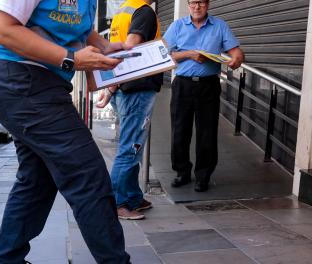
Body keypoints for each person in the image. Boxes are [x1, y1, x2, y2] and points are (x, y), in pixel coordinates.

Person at [0, 1, 132, 263]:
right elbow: (1, 29)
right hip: (19, 79)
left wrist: (105, 46)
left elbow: (75, 25)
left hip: (39, 83)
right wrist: (70, 58)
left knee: (37, 179)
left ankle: (9, 260)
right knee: (88, 175)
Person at [163, 0, 244, 192]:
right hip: (183, 84)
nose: (196, 6)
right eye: (193, 2)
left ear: (207, 4)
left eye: (200, 2)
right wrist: (189, 54)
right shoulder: (177, 26)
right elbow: (163, 53)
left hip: (208, 86)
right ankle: (182, 172)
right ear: (188, 5)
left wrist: (237, 59)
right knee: (179, 130)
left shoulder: (220, 26)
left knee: (207, 132)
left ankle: (203, 176)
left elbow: (236, 52)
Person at [97, 0, 163, 220]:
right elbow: (129, 49)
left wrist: (110, 88)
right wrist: (112, 86)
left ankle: (133, 196)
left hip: (125, 89)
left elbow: (116, 50)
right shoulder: (143, 12)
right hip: (138, 89)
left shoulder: (122, 12)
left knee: (133, 146)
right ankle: (118, 202)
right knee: (130, 147)